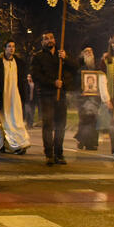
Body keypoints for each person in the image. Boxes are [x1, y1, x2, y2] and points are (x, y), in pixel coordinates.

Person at [30, 31, 77, 166]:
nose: (49, 40)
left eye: (51, 38)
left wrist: (66, 58)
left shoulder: (61, 55)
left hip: (60, 94)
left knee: (61, 125)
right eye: (46, 39)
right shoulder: (38, 57)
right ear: (42, 42)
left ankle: (59, 153)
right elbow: (36, 76)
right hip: (46, 95)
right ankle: (49, 154)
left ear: (55, 40)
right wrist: (53, 82)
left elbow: (75, 67)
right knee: (48, 125)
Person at [0, 39, 31, 154]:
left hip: (15, 95)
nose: (11, 49)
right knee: (1, 120)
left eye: (13, 46)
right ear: (4, 49)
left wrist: (24, 95)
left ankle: (19, 143)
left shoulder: (19, 63)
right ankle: (3, 145)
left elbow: (22, 80)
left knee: (16, 120)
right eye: (9, 46)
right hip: (2, 95)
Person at [74, 46, 104, 151]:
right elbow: (76, 82)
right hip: (82, 97)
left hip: (95, 97)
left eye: (90, 51)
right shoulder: (78, 67)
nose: (89, 53)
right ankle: (82, 140)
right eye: (86, 51)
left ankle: (91, 142)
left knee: (94, 119)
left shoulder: (96, 67)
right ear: (82, 54)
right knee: (84, 119)